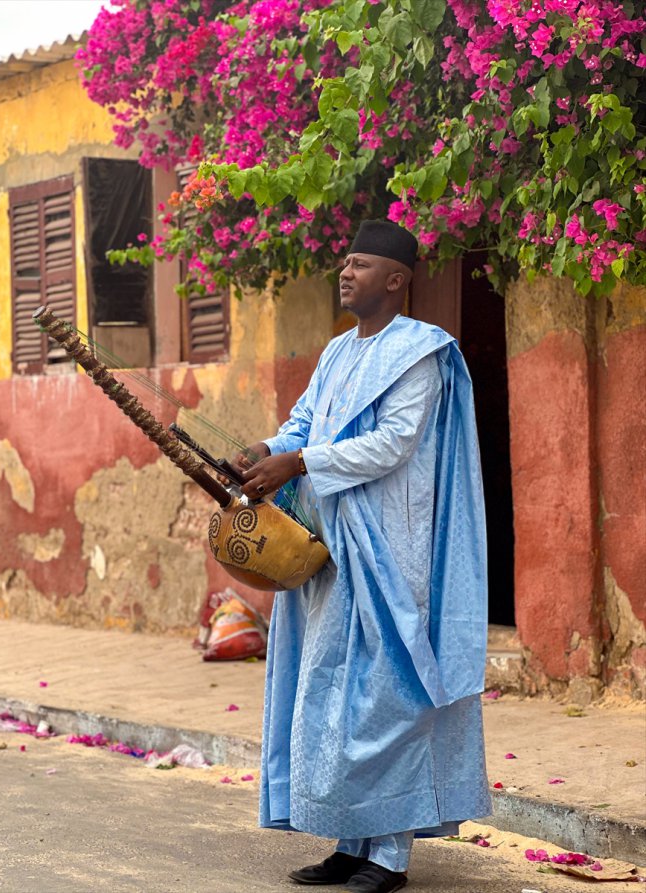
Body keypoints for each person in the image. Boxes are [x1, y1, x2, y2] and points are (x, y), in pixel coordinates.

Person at [236, 220, 491, 893]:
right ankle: (352, 843)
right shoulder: (338, 352)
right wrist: (267, 450)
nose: (345, 273)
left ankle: (391, 857)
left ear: (397, 279)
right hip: (327, 551)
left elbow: (392, 444)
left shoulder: (423, 352)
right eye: (345, 262)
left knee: (387, 698)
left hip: (392, 550)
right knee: (336, 698)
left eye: (360, 263)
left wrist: (301, 459)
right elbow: (303, 424)